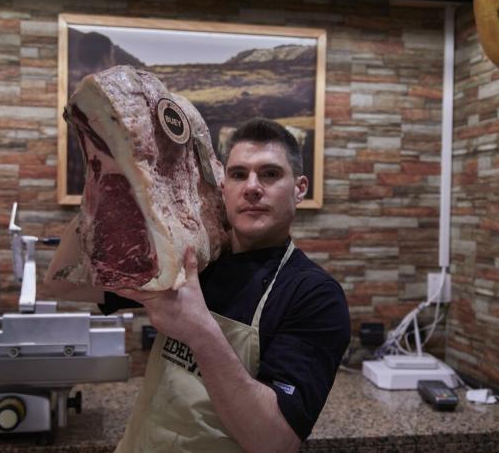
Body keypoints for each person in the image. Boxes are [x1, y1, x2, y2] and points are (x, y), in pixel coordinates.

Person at [105, 118, 351, 452]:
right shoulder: (192, 258)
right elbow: (65, 288)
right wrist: (106, 178)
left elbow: (274, 441)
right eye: (238, 174)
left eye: (270, 174)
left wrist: (200, 332)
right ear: (223, 186)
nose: (252, 186)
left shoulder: (315, 296)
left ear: (300, 188)